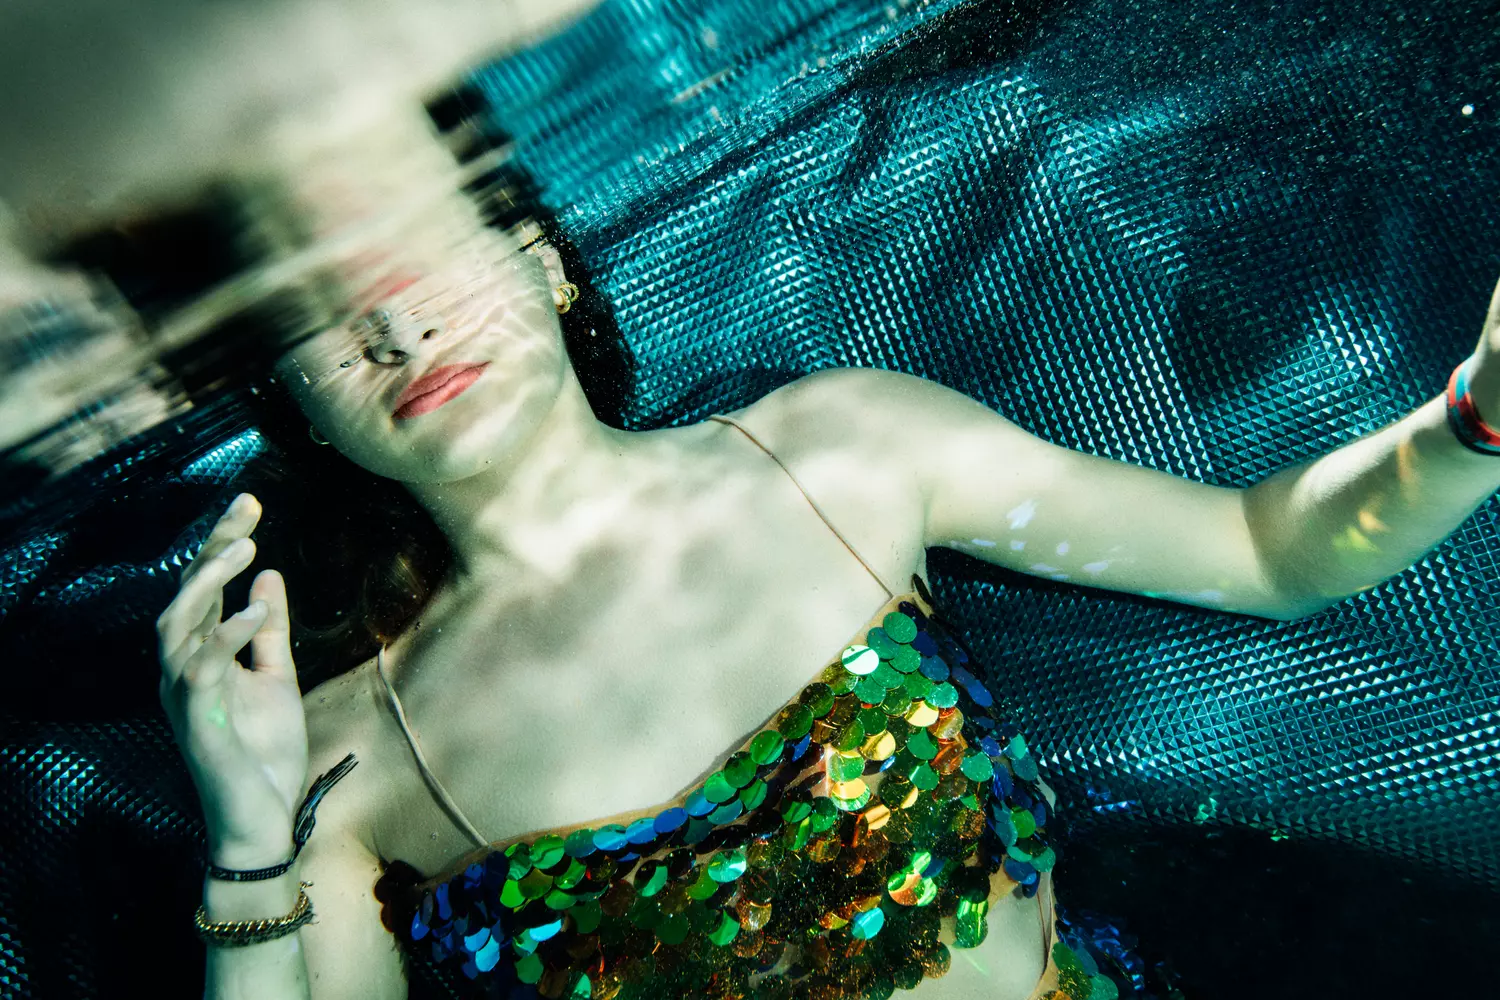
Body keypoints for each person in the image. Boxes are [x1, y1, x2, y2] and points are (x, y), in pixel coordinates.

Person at [153, 100, 1500, 1000]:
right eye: (313, 310)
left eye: (413, 248)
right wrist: (248, 838)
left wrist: (1474, 417)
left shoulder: (846, 454)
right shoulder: (335, 759)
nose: (396, 327)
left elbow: (1271, 553)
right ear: (289, 396)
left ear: (533, 248)